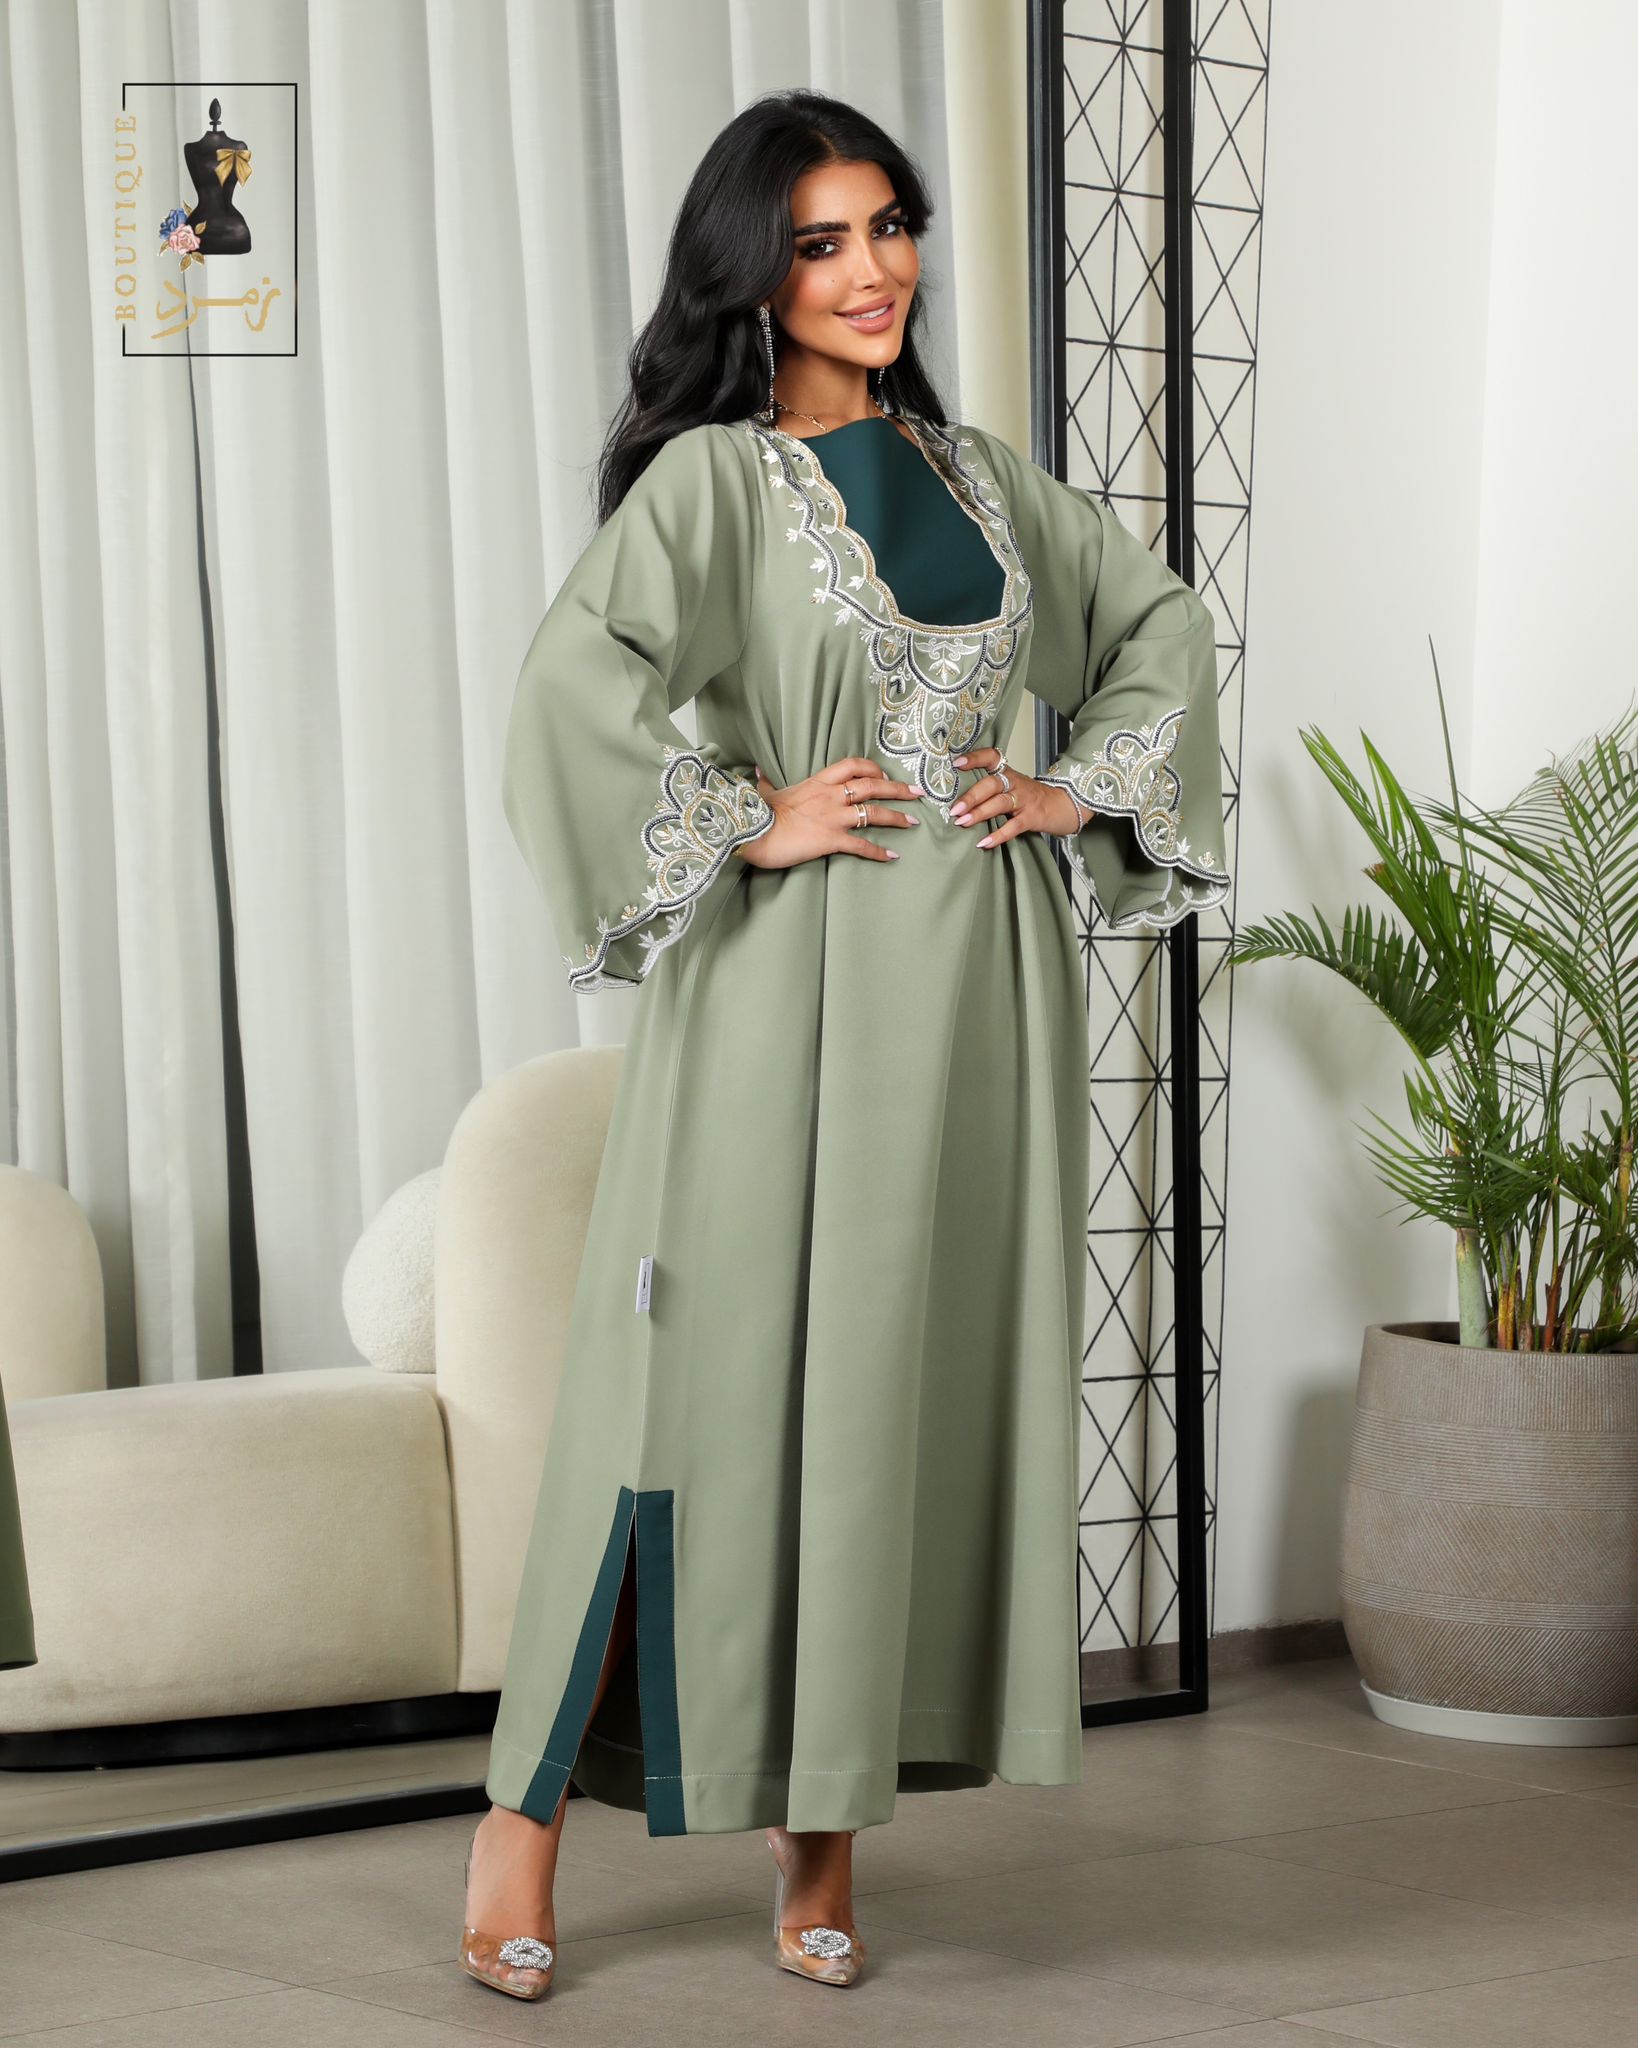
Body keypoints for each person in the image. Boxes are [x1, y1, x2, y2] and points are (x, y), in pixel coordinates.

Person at [459, 87, 1230, 2002]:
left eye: (887, 227)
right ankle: (518, 1822)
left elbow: (1156, 625)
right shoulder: (711, 487)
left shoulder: (984, 482)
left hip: (976, 1003)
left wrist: (1074, 787)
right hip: (777, 996)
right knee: (691, 1390)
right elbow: (568, 692)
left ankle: (822, 1841)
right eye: (820, 242)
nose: (871, 270)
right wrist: (746, 816)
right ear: (753, 273)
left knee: (893, 1387)